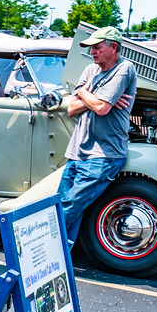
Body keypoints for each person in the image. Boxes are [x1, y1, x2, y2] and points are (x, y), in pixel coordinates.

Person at [58, 26, 137, 247]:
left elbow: (101, 108)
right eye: (91, 48)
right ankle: (63, 254)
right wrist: (93, 97)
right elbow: (71, 110)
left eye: (98, 47)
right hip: (77, 151)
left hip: (104, 154)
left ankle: (45, 251)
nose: (93, 52)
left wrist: (83, 91)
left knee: (69, 206)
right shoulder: (90, 70)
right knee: (64, 204)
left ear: (114, 47)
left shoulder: (125, 68)